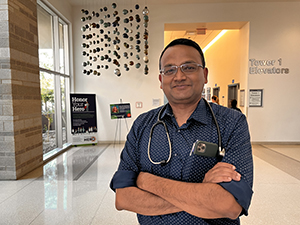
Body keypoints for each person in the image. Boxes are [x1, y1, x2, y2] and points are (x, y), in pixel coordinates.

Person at [110, 38, 253, 225]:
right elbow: (124, 198)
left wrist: (147, 182)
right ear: (161, 80)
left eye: (189, 67)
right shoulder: (143, 125)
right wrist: (202, 191)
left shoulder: (231, 123)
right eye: (169, 70)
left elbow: (230, 205)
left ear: (205, 74)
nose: (179, 76)